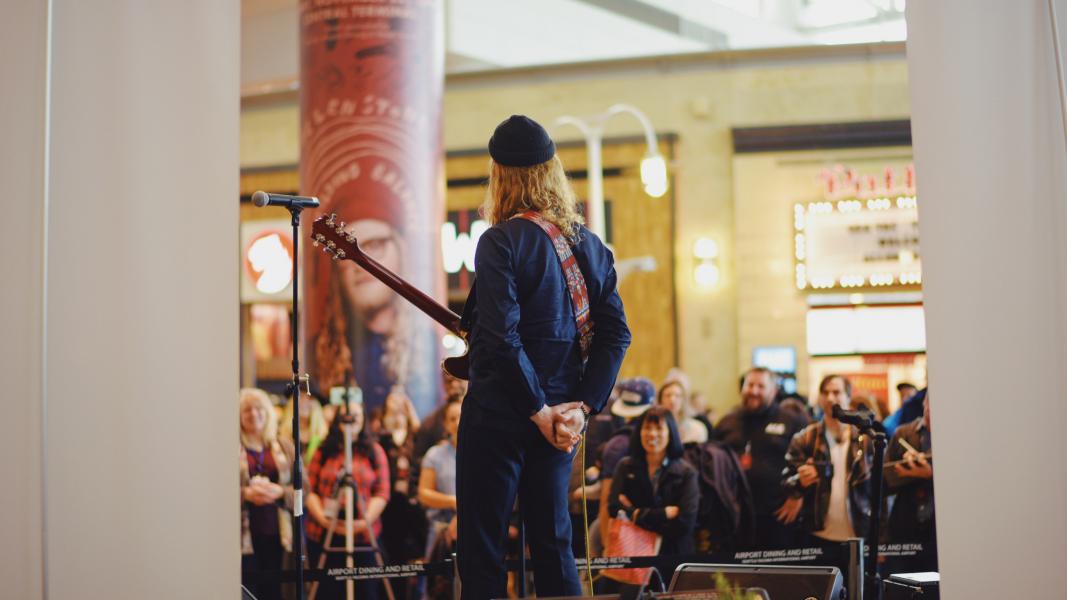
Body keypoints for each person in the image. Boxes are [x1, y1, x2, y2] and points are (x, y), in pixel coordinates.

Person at [455, 115, 631, 599]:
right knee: (554, 544)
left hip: (501, 415)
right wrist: (580, 407)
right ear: (552, 171)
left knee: (483, 550)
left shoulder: (500, 241)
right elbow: (617, 335)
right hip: (561, 427)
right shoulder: (590, 246)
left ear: (500, 175)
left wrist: (537, 410)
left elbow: (501, 338)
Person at [713, 367, 810, 549]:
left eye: (760, 386)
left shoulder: (792, 421)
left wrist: (798, 497)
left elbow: (809, 462)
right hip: (736, 519)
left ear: (773, 391)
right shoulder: (726, 423)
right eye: (750, 385)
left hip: (779, 517)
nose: (754, 391)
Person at [305, 399, 391, 600]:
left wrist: (364, 522)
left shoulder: (374, 451)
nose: (351, 421)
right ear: (337, 421)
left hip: (363, 536)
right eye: (346, 416)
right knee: (327, 593)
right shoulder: (324, 450)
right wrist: (325, 520)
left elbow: (382, 492)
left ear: (363, 420)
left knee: (365, 593)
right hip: (324, 533)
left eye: (356, 416)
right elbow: (309, 489)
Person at [779, 375, 874, 545]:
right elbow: (786, 483)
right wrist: (800, 481)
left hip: (859, 532)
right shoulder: (805, 438)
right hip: (817, 534)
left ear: (848, 397)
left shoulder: (866, 440)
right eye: (825, 392)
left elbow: (879, 490)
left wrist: (880, 537)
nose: (830, 398)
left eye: (836, 392)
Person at [606, 407, 700, 556]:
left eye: (659, 428)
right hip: (633, 553)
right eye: (647, 428)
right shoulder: (625, 466)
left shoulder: (687, 473)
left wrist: (635, 514)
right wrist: (663, 514)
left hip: (672, 555)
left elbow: (684, 524)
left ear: (670, 433)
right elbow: (613, 509)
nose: (652, 433)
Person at [239, 388, 298, 600]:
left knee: (275, 592)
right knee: (247, 590)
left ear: (268, 413)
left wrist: (281, 492)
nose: (254, 414)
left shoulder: (285, 446)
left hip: (278, 533)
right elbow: (215, 491)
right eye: (247, 410)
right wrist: (245, 494)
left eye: (259, 409)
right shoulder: (229, 447)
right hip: (242, 536)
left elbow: (305, 489)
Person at [886, 392, 936, 571]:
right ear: (924, 403)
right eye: (930, 406)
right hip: (904, 529)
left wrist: (930, 476)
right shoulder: (903, 434)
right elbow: (883, 483)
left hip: (939, 530)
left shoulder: (955, 437)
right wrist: (907, 471)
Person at [418, 398, 462, 557]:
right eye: (452, 418)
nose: (457, 422)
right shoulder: (435, 455)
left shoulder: (482, 452)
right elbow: (424, 494)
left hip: (475, 526)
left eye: (461, 416)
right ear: (445, 424)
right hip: (441, 531)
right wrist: (452, 502)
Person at [278, 388, 329, 465]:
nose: (304, 402)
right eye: (300, 396)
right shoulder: (281, 436)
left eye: (310, 398)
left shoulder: (324, 437)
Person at [657, 378, 709, 445]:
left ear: (683, 401)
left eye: (677, 396)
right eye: (668, 395)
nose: (672, 400)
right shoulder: (654, 430)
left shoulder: (697, 429)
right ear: (660, 401)